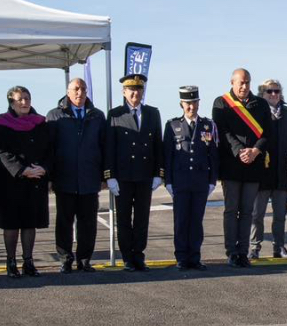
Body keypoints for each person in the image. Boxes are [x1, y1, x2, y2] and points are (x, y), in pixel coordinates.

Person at [0, 86, 52, 278]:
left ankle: (28, 262)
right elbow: (1, 152)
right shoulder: (1, 123)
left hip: (35, 181)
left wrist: (44, 168)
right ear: (11, 102)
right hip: (10, 182)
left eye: (27, 98)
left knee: (29, 223)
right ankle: (11, 262)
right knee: (12, 224)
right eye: (19, 99)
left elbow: (49, 149)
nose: (24, 102)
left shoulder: (40, 122)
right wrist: (23, 170)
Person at [45, 77, 106, 273]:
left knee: (88, 222)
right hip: (65, 178)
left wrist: (104, 175)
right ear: (68, 91)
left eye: (83, 89)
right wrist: (50, 177)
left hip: (89, 177)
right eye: (76, 89)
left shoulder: (97, 116)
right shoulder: (55, 115)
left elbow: (103, 146)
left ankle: (85, 259)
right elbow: (49, 148)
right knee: (64, 221)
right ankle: (65, 258)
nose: (80, 93)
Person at [104, 74, 164, 271]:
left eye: (139, 89)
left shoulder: (153, 113)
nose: (135, 93)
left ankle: (139, 255)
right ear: (124, 92)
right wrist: (109, 176)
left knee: (141, 219)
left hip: (145, 175)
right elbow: (109, 147)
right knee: (123, 219)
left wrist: (159, 173)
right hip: (123, 177)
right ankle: (127, 257)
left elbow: (158, 145)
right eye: (131, 89)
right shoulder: (115, 114)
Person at [212, 68, 270, 267]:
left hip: (253, 165)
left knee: (247, 212)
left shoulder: (261, 104)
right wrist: (240, 151)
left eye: (247, 82)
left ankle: (243, 252)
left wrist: (255, 151)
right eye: (241, 83)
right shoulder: (221, 103)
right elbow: (222, 131)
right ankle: (231, 252)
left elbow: (267, 133)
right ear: (232, 82)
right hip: (231, 165)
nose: (244, 86)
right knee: (231, 210)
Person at [163, 86, 219, 271]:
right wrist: (168, 181)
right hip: (180, 182)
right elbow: (167, 156)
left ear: (198, 103)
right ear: (182, 104)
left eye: (194, 102)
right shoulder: (172, 125)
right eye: (188, 103)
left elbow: (213, 155)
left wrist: (212, 180)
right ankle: (181, 257)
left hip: (200, 181)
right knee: (181, 221)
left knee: (196, 221)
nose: (191, 107)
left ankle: (195, 257)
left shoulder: (207, 125)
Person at [250, 78, 287, 259]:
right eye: (269, 91)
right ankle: (255, 247)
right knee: (256, 214)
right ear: (262, 94)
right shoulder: (255, 113)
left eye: (276, 91)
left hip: (281, 172)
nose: (274, 94)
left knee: (280, 215)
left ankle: (279, 247)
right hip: (261, 173)